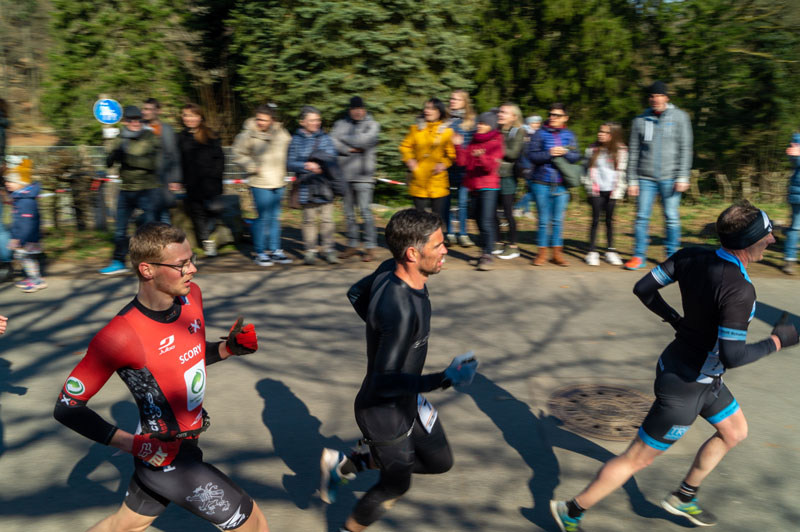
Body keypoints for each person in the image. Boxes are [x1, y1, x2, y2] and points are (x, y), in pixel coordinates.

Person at [551, 200, 799, 532]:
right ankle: (571, 510)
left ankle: (684, 496)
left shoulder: (690, 255)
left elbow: (643, 288)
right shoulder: (740, 291)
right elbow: (733, 356)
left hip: (697, 373)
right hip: (686, 386)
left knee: (735, 431)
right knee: (636, 459)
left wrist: (674, 320)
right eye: (768, 236)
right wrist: (778, 341)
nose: (772, 241)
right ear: (749, 242)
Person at [54, 222, 270, 532]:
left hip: (187, 444)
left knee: (125, 525)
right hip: (164, 458)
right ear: (147, 270)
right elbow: (67, 408)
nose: (192, 270)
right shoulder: (119, 336)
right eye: (181, 265)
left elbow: (185, 357)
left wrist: (227, 348)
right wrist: (136, 445)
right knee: (254, 525)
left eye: (191, 260)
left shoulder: (191, 296)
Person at [319, 209, 478, 532]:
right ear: (412, 253)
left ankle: (351, 463)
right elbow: (384, 379)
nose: (445, 250)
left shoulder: (389, 269)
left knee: (440, 462)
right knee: (395, 486)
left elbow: (355, 294)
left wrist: (382, 331)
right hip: (382, 413)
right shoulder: (402, 311)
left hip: (408, 397)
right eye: (438, 245)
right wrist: (445, 378)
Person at [624, 80, 693, 271]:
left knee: (671, 217)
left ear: (666, 97)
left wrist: (683, 176)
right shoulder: (639, 120)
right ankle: (638, 256)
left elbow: (686, 148)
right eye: (652, 96)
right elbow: (634, 151)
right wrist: (631, 179)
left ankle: (672, 257)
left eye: (659, 96)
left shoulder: (680, 118)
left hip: (671, 177)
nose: (655, 99)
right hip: (645, 178)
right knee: (641, 217)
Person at [99, 105, 162, 275]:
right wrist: (112, 156)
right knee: (120, 229)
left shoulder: (150, 136)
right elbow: (108, 163)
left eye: (138, 119)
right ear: (125, 121)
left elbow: (153, 164)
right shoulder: (120, 138)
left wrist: (128, 159)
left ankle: (152, 262)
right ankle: (119, 261)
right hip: (126, 190)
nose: (135, 123)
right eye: (130, 120)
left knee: (149, 229)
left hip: (146, 189)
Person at [232, 104, 292, 267]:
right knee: (263, 217)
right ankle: (260, 252)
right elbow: (237, 154)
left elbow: (290, 149)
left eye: (264, 120)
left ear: (272, 120)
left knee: (274, 218)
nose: (260, 122)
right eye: (258, 119)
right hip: (260, 181)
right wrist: (251, 166)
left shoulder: (282, 134)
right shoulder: (247, 135)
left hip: (279, 181)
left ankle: (275, 250)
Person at [527, 103, 580, 267]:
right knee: (543, 220)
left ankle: (557, 254)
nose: (552, 118)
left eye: (557, 115)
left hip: (561, 184)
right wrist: (549, 153)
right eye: (551, 114)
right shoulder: (539, 134)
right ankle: (542, 253)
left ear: (565, 118)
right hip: (541, 182)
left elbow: (576, 156)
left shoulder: (569, 135)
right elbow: (532, 156)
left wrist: (566, 152)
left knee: (558, 220)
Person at [287, 105, 339, 266]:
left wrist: (322, 166)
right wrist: (306, 166)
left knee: (327, 220)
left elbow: (333, 159)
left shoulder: (325, 138)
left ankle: (329, 250)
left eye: (318, 120)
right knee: (309, 220)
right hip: (306, 185)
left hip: (324, 184)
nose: (316, 123)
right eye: (312, 120)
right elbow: (289, 163)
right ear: (303, 122)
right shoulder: (295, 140)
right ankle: (310, 251)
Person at [331, 96, 381, 262]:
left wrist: (343, 138)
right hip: (345, 175)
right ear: (349, 110)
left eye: (360, 108)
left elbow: (364, 141)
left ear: (364, 109)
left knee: (365, 213)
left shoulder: (373, 125)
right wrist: (349, 149)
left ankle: (370, 246)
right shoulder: (340, 124)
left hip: (364, 176)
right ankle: (352, 244)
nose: (357, 112)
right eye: (354, 109)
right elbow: (331, 141)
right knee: (349, 214)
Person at [454, 112, 504, 271]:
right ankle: (484, 248)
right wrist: (458, 145)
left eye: (483, 123)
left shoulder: (497, 141)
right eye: (479, 123)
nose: (479, 125)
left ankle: (488, 254)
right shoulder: (474, 141)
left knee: (486, 220)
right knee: (475, 218)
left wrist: (481, 157)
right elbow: (462, 162)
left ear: (491, 126)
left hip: (489, 185)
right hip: (474, 186)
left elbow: (491, 167)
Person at [176, 103, 225, 258]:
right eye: (186, 115)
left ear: (200, 117)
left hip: (212, 183)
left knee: (215, 209)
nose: (189, 118)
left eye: (193, 115)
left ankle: (209, 234)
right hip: (192, 183)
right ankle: (206, 243)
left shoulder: (211, 135)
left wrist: (216, 175)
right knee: (197, 214)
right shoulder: (180, 138)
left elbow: (220, 158)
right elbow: (178, 160)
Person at [399, 98, 455, 224]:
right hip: (419, 178)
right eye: (426, 108)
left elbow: (451, 155)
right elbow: (405, 146)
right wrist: (410, 160)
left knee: (438, 218)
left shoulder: (447, 132)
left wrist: (443, 164)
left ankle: (438, 242)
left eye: (432, 108)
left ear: (439, 112)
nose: (428, 111)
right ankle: (421, 242)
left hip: (437, 179)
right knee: (419, 218)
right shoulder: (415, 129)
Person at [581, 122, 628, 266]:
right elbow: (584, 169)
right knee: (595, 220)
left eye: (605, 132)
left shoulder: (622, 150)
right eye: (600, 131)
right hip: (596, 190)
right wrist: (588, 185)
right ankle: (592, 251)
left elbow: (623, 172)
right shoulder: (592, 149)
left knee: (609, 221)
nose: (600, 134)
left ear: (613, 135)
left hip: (612, 192)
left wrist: (619, 191)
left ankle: (610, 251)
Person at [5, 159, 46, 292]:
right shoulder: (20, 197)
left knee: (27, 259)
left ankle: (36, 281)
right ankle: (32, 277)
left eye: (11, 181)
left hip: (27, 238)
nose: (7, 184)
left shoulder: (26, 201)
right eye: (7, 181)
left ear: (21, 183)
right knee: (24, 259)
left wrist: (21, 240)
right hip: (22, 237)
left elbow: (28, 224)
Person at [142, 98, 181, 224]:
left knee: (163, 214)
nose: (145, 112)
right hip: (144, 180)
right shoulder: (139, 128)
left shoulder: (167, 130)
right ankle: (150, 241)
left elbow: (174, 155)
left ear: (158, 111)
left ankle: (167, 241)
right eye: (144, 109)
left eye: (148, 109)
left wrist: (175, 179)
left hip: (163, 179)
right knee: (148, 213)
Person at [445, 90, 477, 247]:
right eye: (451, 98)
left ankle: (463, 234)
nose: (453, 101)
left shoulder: (471, 121)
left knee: (463, 202)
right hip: (446, 166)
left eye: (457, 99)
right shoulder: (445, 119)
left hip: (464, 168)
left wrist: (460, 144)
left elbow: (474, 144)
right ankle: (449, 233)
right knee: (447, 202)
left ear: (464, 102)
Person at [496, 103, 525, 260]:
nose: (500, 114)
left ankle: (513, 246)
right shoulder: (496, 130)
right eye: (500, 111)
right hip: (493, 176)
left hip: (508, 176)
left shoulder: (518, 131)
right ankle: (499, 242)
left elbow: (513, 154)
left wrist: (494, 146)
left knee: (507, 212)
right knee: (493, 212)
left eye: (505, 112)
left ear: (514, 116)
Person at [513, 115, 542, 218]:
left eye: (538, 123)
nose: (537, 125)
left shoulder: (536, 134)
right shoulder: (525, 134)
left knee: (530, 189)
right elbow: (525, 152)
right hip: (527, 165)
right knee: (534, 191)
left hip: (534, 166)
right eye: (534, 123)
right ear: (529, 123)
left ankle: (526, 210)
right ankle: (516, 207)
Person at [781, 132, 800, 275]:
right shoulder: (797, 140)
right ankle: (789, 259)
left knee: (795, 227)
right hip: (797, 194)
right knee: (795, 228)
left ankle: (790, 259)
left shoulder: (796, 140)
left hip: (795, 193)